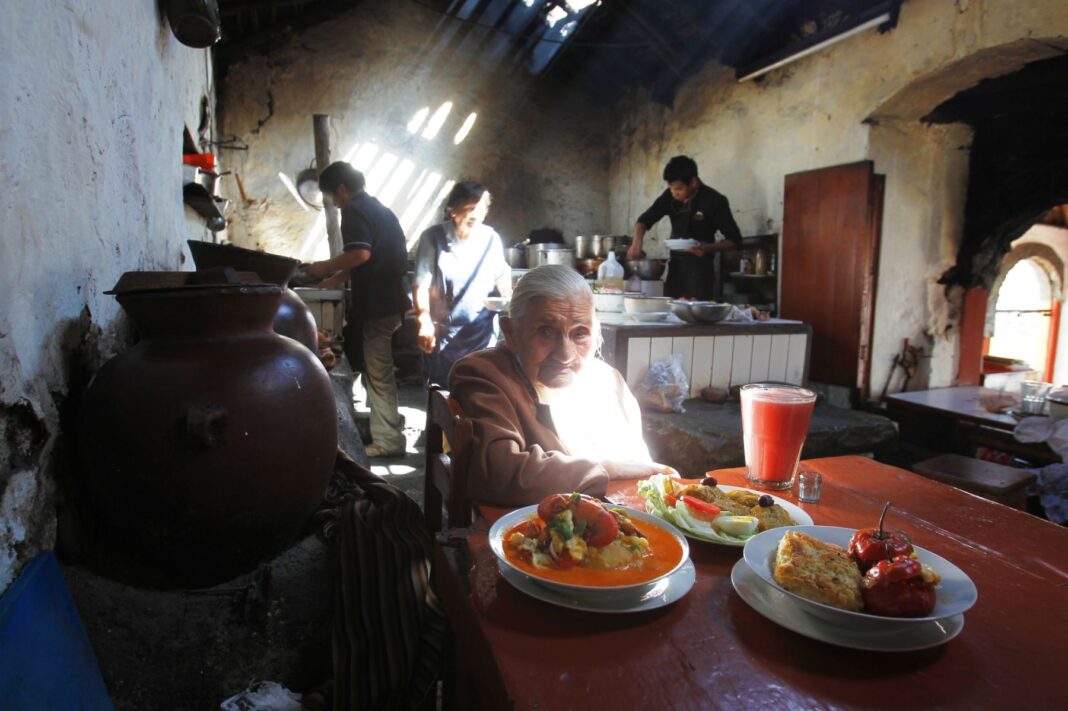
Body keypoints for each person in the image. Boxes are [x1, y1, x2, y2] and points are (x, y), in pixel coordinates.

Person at [449, 265, 675, 506]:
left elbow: (639, 466)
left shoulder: (607, 381)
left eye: (579, 334)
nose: (565, 354)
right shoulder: (483, 375)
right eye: (546, 332)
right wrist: (605, 468)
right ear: (511, 332)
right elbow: (500, 472)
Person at [301, 162, 409, 458]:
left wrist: (323, 267)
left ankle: (388, 440)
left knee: (378, 373)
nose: (334, 203)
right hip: (390, 300)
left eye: (332, 197)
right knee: (376, 369)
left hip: (379, 304)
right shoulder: (378, 208)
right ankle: (385, 427)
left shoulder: (354, 210)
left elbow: (360, 253)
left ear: (342, 190)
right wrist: (332, 281)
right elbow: (363, 261)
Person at [412, 181, 512, 385]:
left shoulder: (490, 238)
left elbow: (501, 275)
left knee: (481, 388)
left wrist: (511, 300)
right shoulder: (433, 238)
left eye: (481, 210)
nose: (476, 216)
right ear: (452, 211)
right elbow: (421, 282)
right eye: (470, 209)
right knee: (444, 392)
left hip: (482, 332)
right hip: (445, 333)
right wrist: (424, 320)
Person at [627, 155, 742, 300]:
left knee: (696, 318)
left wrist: (706, 248)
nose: (674, 193)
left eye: (679, 189)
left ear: (693, 182)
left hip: (700, 272)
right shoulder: (670, 196)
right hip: (676, 268)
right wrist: (636, 244)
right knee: (671, 314)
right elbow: (643, 221)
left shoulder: (715, 201)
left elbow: (735, 240)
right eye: (671, 188)